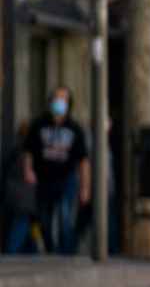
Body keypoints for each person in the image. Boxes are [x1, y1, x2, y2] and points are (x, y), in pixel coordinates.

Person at [22, 87, 91, 254]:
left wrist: (85, 187)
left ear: (69, 103)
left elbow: (83, 161)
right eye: (57, 98)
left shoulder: (74, 129)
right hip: (43, 179)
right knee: (43, 218)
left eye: (63, 99)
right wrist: (28, 170)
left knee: (65, 218)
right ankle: (51, 249)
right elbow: (28, 151)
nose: (59, 102)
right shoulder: (39, 125)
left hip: (67, 179)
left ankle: (65, 252)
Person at [4, 121, 40, 254]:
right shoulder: (25, 153)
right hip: (24, 201)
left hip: (19, 199)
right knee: (21, 226)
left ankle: (33, 251)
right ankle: (12, 251)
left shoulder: (15, 151)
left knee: (30, 229)